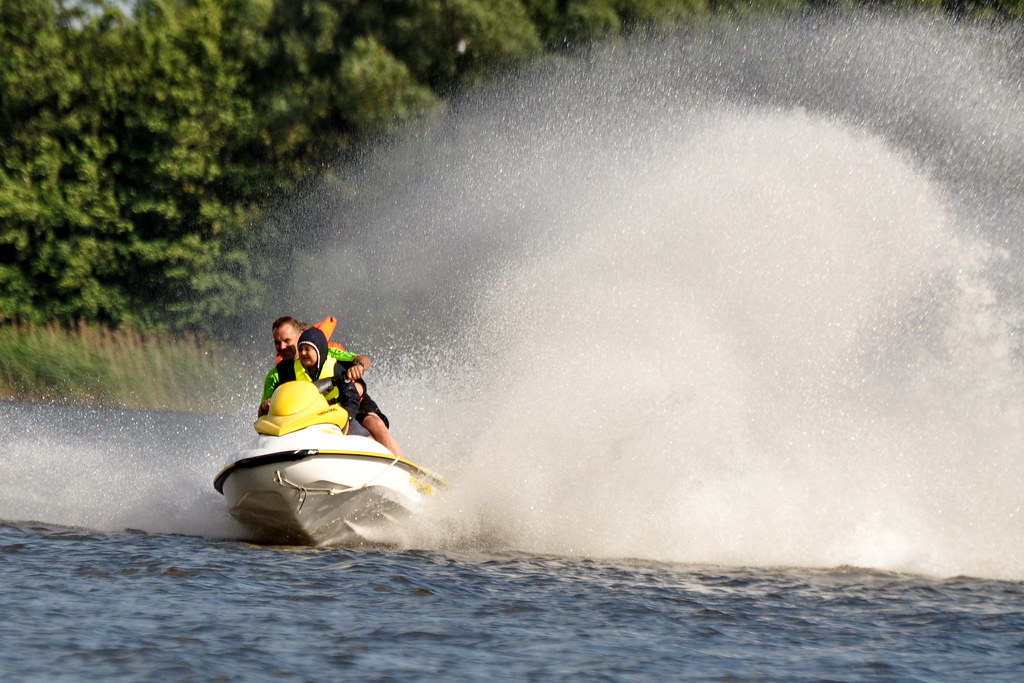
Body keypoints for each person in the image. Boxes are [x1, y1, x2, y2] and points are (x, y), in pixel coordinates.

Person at [257, 316, 406, 457]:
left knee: (376, 424)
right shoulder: (276, 374)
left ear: (300, 337)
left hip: (351, 404)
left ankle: (401, 466)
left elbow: (362, 362)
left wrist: (358, 367)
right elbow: (264, 414)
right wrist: (267, 408)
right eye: (277, 342)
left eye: (287, 340)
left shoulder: (328, 354)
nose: (282, 346)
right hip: (318, 416)